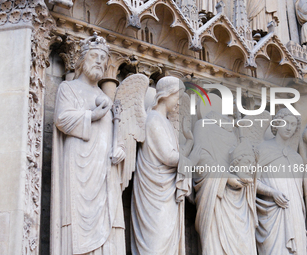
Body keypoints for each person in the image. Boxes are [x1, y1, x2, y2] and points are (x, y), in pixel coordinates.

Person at [50, 33, 126, 255]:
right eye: (95, 56)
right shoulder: (69, 88)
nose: (100, 62)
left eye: (103, 58)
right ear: (82, 61)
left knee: (108, 222)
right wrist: (91, 115)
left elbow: (113, 136)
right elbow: (62, 119)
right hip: (79, 168)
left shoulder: (105, 97)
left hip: (105, 172)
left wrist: (119, 150)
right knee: (79, 220)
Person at [131, 76, 200, 255]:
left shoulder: (167, 124)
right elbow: (168, 157)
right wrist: (190, 163)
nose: (178, 104)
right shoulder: (153, 119)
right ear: (166, 95)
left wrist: (190, 141)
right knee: (156, 242)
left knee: (167, 238)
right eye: (177, 98)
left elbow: (175, 153)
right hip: (154, 191)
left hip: (166, 190)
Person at [193, 111, 258, 255]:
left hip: (240, 198)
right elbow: (200, 158)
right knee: (216, 244)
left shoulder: (235, 133)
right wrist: (226, 177)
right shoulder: (203, 126)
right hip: (216, 194)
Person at [255, 108, 307, 255]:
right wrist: (272, 192)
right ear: (277, 124)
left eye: (293, 124)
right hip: (272, 212)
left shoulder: (297, 158)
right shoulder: (262, 149)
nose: (289, 127)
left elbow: (299, 193)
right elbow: (252, 182)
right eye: (285, 123)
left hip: (295, 211)